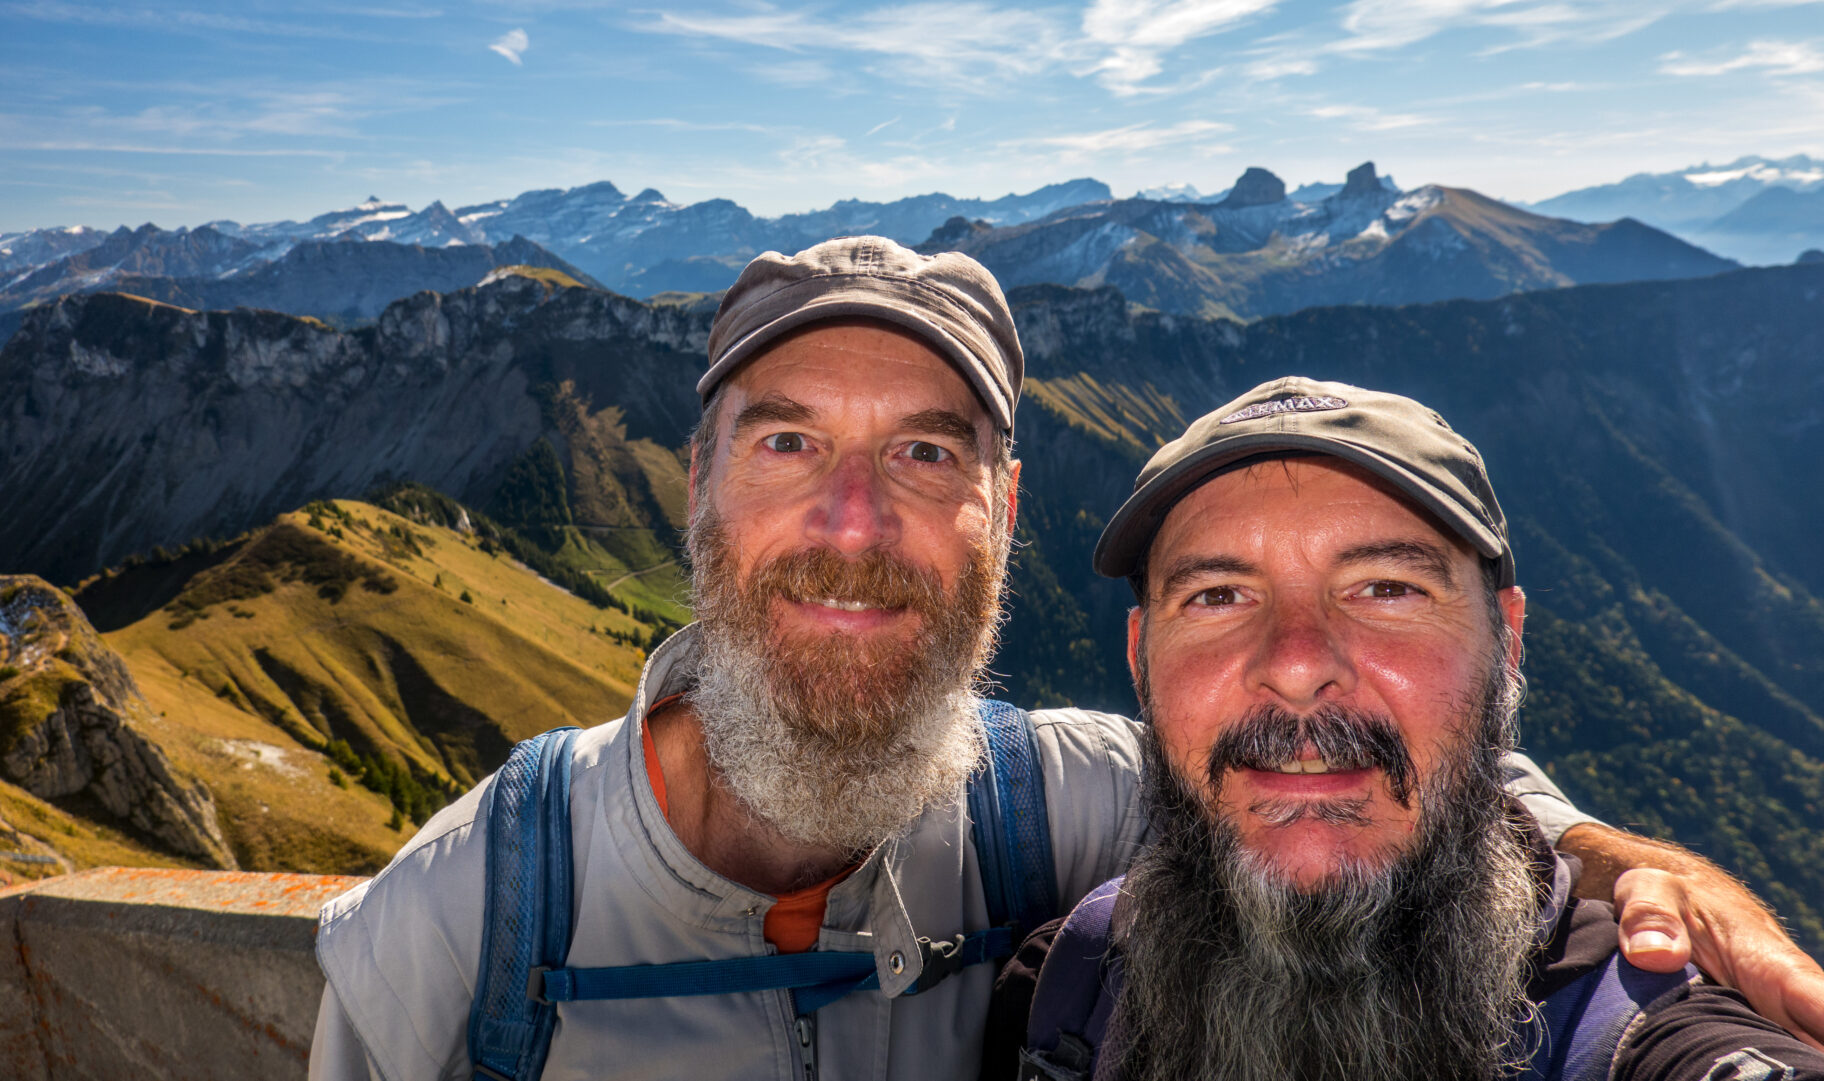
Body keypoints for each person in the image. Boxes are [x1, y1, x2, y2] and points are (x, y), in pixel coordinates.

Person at [309, 241, 1822, 1081]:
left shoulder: (1070, 800)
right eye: (787, 444)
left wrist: (1657, 877)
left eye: (924, 450)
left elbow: (1392, 779)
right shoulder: (466, 922)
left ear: (1002, 511)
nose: (855, 524)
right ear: (689, 487)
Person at [986, 377, 1824, 1081]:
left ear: (1508, 645)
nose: (1298, 662)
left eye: (1385, 588)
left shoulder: (1645, 1027)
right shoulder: (1063, 989)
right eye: (1217, 596)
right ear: (1140, 658)